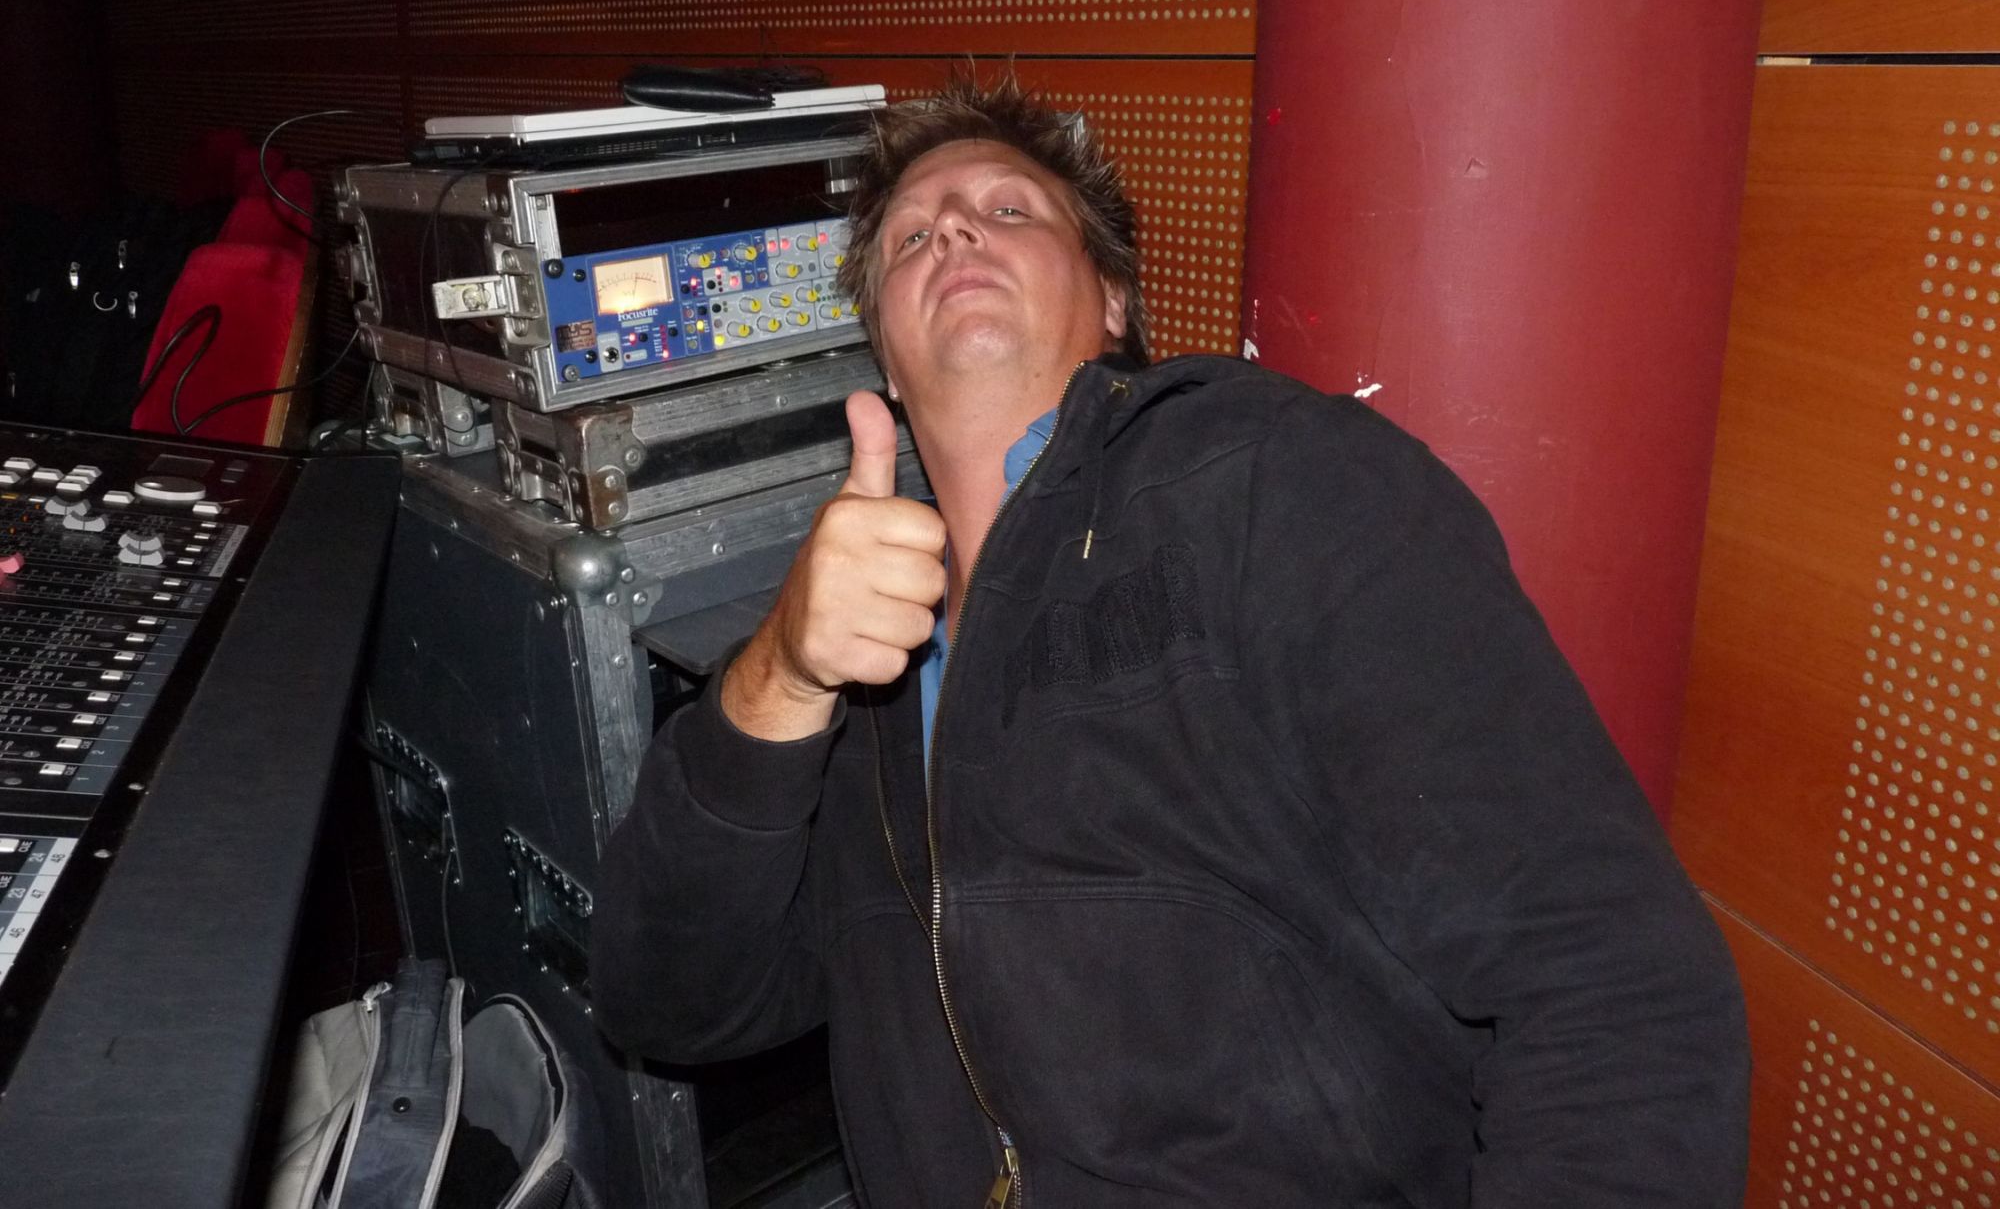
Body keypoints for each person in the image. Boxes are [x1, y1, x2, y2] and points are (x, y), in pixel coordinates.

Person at [592, 75, 1750, 1207]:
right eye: (909, 239)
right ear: (886, 363)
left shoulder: (1273, 484)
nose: (951, 232)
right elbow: (668, 1002)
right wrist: (780, 677)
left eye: (1006, 210)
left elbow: (1609, 986)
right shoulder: (848, 673)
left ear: (1112, 303)